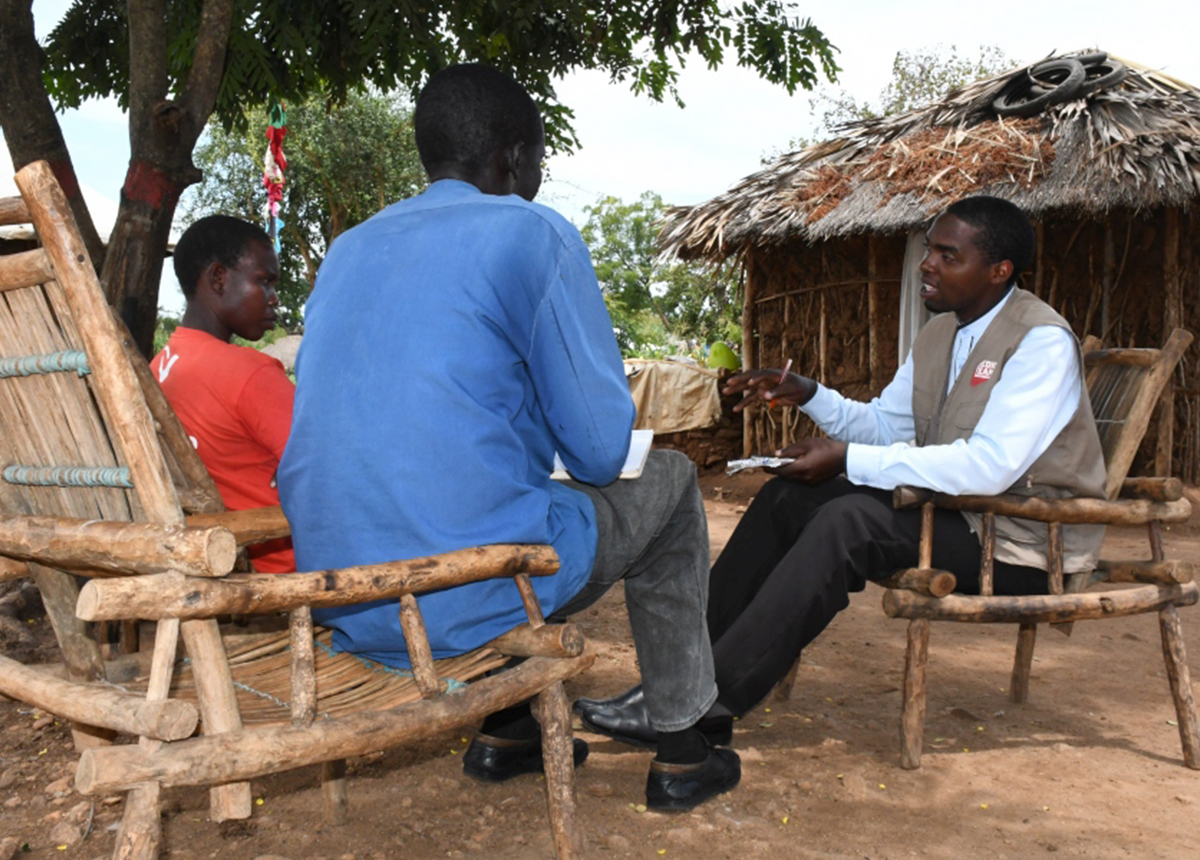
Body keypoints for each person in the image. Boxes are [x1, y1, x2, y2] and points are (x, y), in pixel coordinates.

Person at [276, 63, 739, 812]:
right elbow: (595, 448)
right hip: (465, 592)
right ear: (514, 157)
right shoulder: (532, 233)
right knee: (673, 484)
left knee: (488, 492)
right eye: (542, 161)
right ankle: (683, 746)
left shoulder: (348, 250)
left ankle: (508, 732)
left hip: (348, 595)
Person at [576, 195, 1108, 743]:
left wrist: (848, 460)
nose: (927, 265)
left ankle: (704, 708)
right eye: (930, 251)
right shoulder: (939, 335)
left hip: (1020, 544)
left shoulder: (1040, 342)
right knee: (790, 499)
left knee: (850, 519)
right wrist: (807, 393)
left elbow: (990, 466)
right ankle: (674, 683)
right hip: (957, 517)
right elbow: (884, 425)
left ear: (999, 272)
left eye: (948, 257)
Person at [151, 215, 295, 573]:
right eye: (263, 281)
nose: (274, 298)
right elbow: (331, 470)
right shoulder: (248, 373)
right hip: (289, 569)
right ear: (218, 278)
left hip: (215, 566)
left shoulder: (156, 370)